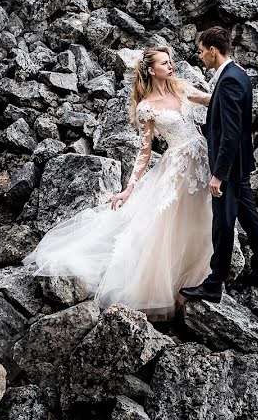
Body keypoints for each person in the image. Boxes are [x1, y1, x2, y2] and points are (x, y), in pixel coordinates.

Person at [22, 45, 214, 320]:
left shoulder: (181, 88)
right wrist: (129, 189)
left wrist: (234, 81)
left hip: (202, 161)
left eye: (170, 61)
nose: (170, 66)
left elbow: (212, 100)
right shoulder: (146, 108)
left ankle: (199, 280)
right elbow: (144, 153)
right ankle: (171, 291)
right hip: (178, 169)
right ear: (151, 70)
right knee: (172, 228)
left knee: (200, 222)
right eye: (164, 63)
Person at [179, 27, 258, 304]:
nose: (200, 56)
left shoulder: (229, 80)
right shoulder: (238, 74)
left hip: (228, 167)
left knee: (223, 223)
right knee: (250, 218)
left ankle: (213, 284)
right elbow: (230, 121)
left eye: (200, 51)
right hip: (240, 163)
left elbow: (231, 133)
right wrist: (206, 127)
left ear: (213, 51)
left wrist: (218, 174)